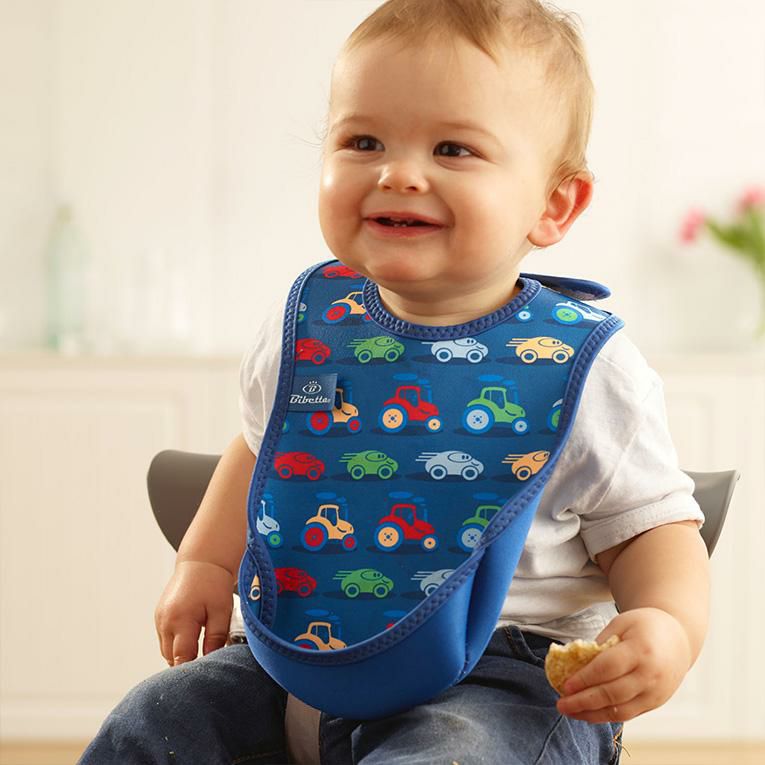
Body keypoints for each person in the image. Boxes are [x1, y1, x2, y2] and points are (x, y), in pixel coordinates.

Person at [79, 1, 709, 763]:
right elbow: (262, 449)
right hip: (292, 651)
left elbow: (652, 529)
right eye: (363, 140)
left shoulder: (585, 368)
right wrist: (204, 563)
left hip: (501, 674)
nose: (397, 173)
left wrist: (666, 625)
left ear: (553, 204)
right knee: (155, 717)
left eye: (452, 148)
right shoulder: (308, 327)